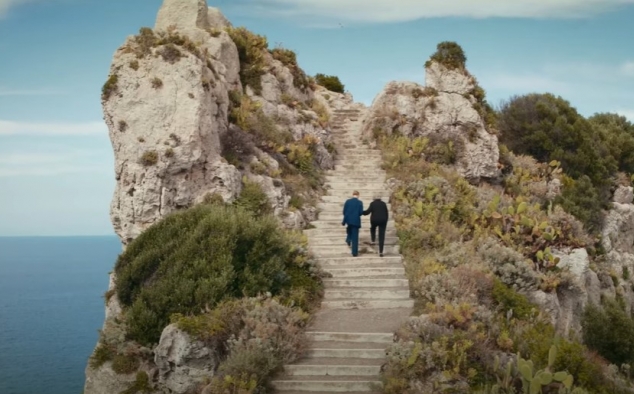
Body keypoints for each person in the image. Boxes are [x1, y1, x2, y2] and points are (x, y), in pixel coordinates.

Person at [342, 190, 364, 257]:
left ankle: (348, 239)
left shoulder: (347, 201)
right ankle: (354, 252)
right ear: (358, 195)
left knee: (349, 229)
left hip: (348, 220)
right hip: (356, 221)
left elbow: (344, 211)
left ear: (352, 194)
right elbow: (360, 212)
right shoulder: (360, 202)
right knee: (355, 237)